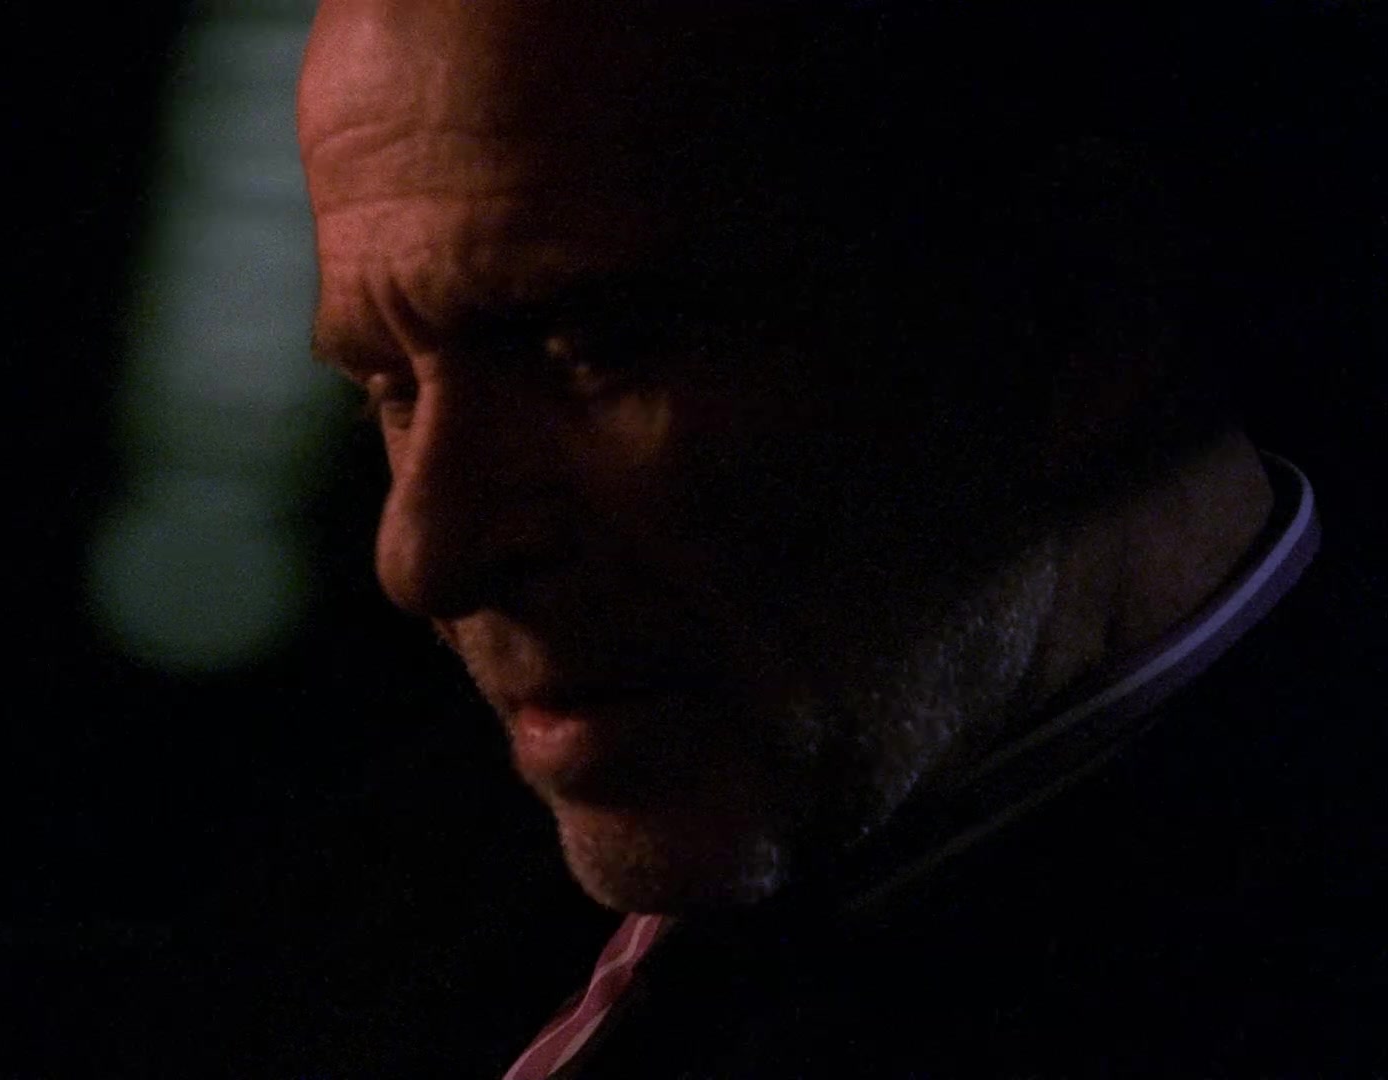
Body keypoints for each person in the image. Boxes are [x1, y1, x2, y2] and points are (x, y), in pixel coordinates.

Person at [293, 1, 1385, 1075]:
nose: (421, 555)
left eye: (595, 350)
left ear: (1071, 317)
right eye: (390, 389)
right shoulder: (350, 896)